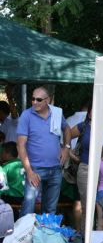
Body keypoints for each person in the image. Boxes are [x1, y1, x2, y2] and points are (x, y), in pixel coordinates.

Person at [16, 86, 71, 217]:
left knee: (50, 211)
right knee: (28, 208)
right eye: (33, 99)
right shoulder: (26, 115)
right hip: (35, 169)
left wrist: (67, 148)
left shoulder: (57, 113)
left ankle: (45, 236)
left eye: (39, 99)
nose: (34, 102)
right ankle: (23, 236)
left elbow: (67, 129)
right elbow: (20, 145)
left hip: (55, 168)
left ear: (48, 100)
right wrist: (29, 172)